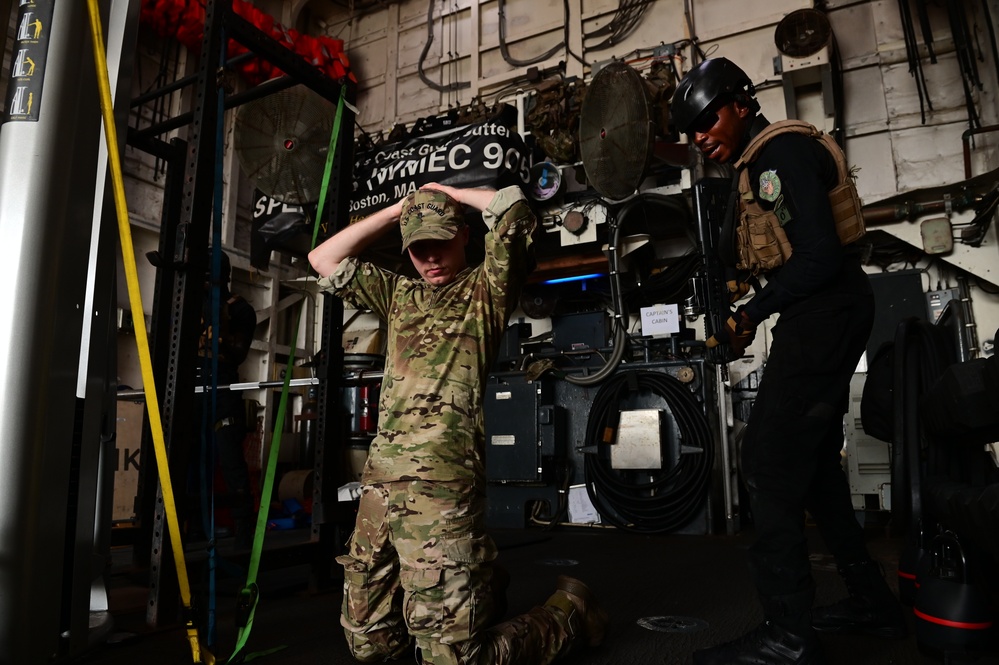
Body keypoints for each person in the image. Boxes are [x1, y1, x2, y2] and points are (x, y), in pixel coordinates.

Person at [308, 183, 609, 664]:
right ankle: (478, 590)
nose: (430, 258)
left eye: (440, 242)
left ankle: (568, 612)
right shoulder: (399, 294)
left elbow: (513, 210)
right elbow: (323, 259)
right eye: (418, 248)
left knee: (453, 661)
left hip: (443, 488)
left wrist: (444, 191)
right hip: (380, 488)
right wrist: (396, 212)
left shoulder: (485, 288)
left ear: (464, 236)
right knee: (369, 646)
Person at [670, 58, 905, 664]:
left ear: (741, 104)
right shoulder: (758, 164)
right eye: (691, 130)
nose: (700, 137)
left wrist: (751, 313)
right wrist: (749, 301)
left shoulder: (777, 156)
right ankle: (870, 603)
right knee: (817, 468)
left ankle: (786, 635)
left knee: (768, 463)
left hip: (826, 310)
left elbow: (820, 255)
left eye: (706, 120)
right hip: (826, 310)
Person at [192, 249, 258, 551]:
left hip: (222, 387)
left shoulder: (239, 309)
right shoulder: (190, 303)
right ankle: (192, 526)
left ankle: (244, 533)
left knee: (231, 461)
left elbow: (236, 352)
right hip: (191, 387)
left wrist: (220, 328)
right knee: (191, 459)